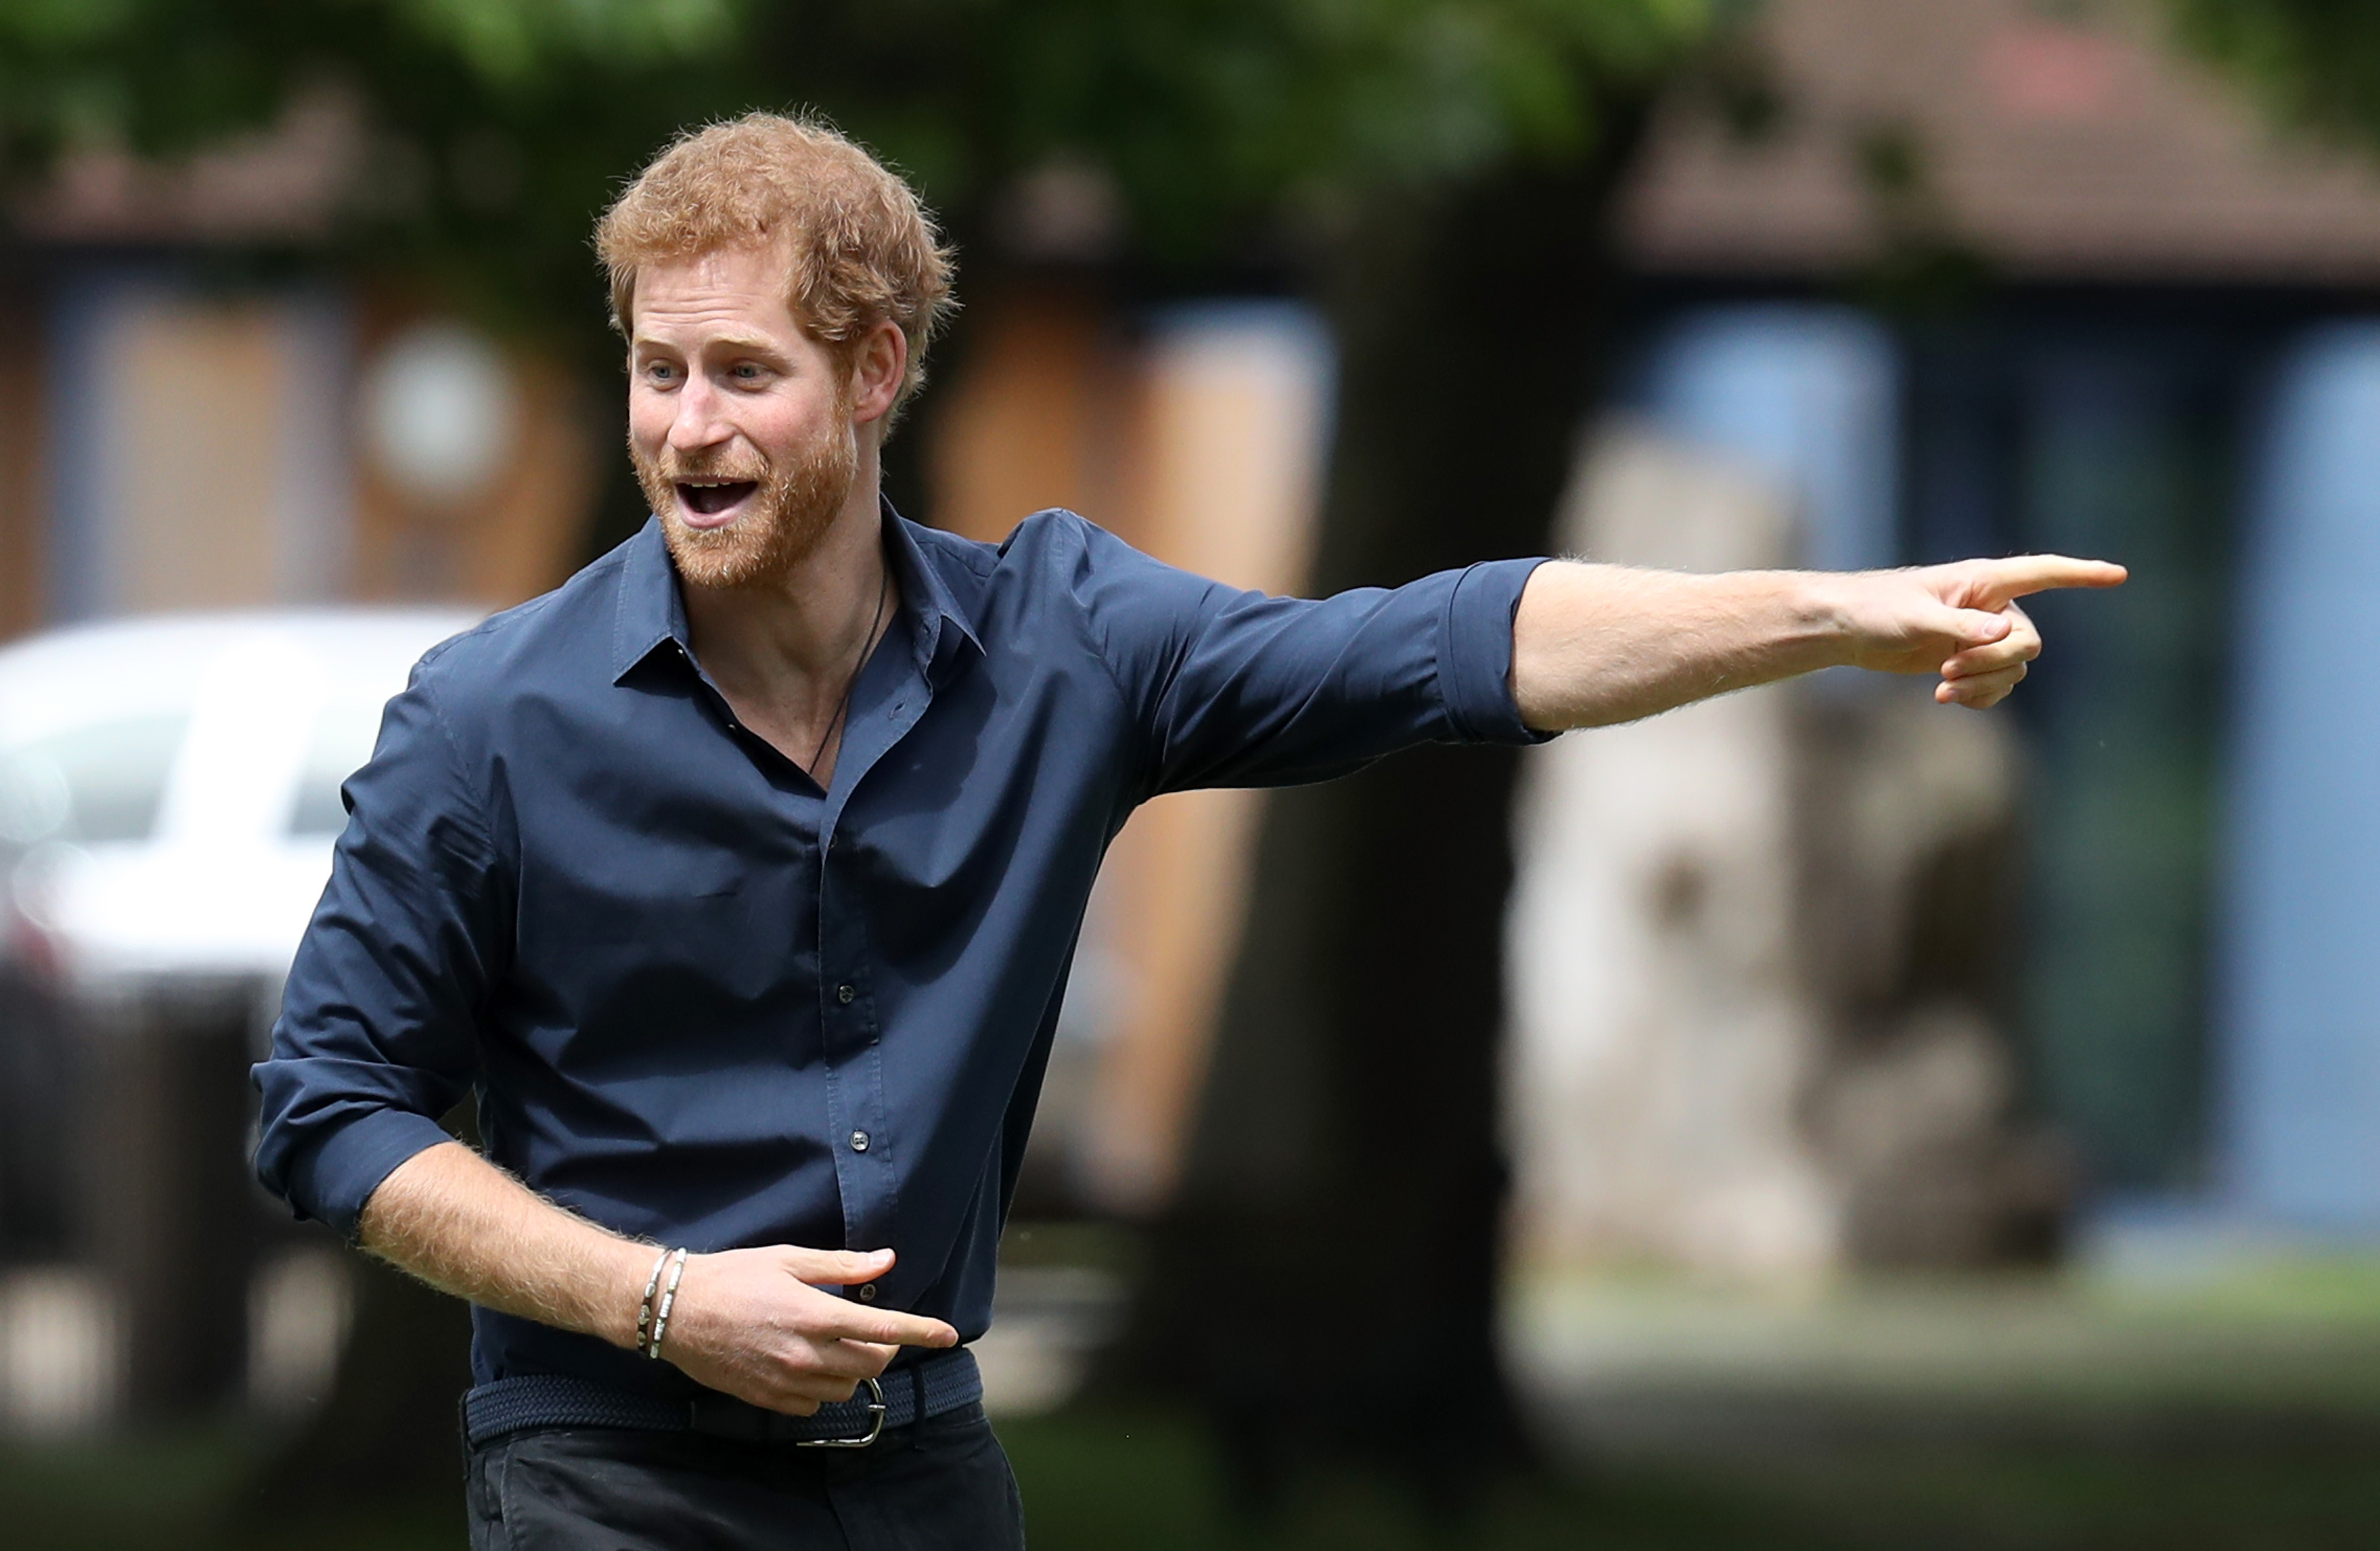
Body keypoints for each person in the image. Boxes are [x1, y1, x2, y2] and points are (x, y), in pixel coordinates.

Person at [251, 111, 2123, 1549]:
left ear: (878, 373)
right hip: (607, 1474)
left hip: (923, 1479)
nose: (685, 427)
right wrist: (659, 1299)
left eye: (745, 373)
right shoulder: (490, 720)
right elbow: (327, 1106)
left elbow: (1449, 643)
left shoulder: (1064, 641)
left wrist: (1827, 613)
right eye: (658, 370)